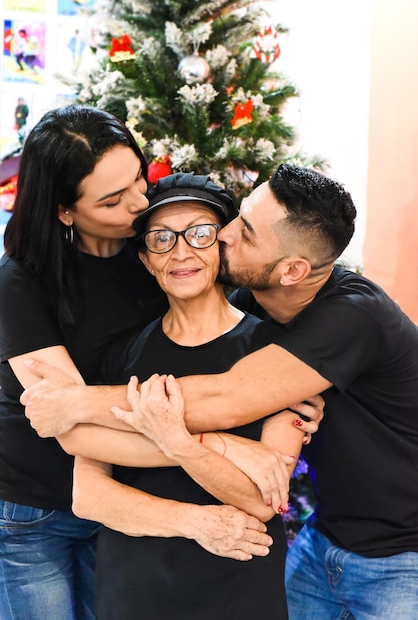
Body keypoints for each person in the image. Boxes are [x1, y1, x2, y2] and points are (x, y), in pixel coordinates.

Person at [23, 164, 418, 619]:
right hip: (322, 539)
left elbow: (229, 405)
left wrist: (77, 401)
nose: (226, 235)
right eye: (162, 239)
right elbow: (88, 483)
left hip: (399, 556)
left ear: (293, 270)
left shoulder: (338, 324)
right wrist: (220, 457)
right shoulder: (253, 303)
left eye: (241, 232)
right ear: (146, 257)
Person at [0, 105, 317, 619]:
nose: (140, 202)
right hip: (35, 508)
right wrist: (217, 445)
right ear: (64, 210)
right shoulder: (21, 283)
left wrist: (283, 386)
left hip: (125, 504)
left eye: (138, 179)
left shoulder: (148, 249)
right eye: (113, 199)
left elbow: (217, 327)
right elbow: (72, 429)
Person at [67, 172, 307, 619]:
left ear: (223, 244)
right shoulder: (120, 357)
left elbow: (263, 498)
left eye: (200, 233)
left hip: (239, 587)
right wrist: (195, 522)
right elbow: (89, 495)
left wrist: (179, 443)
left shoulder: (278, 353)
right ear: (145, 260)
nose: (181, 251)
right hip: (135, 591)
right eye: (161, 238)